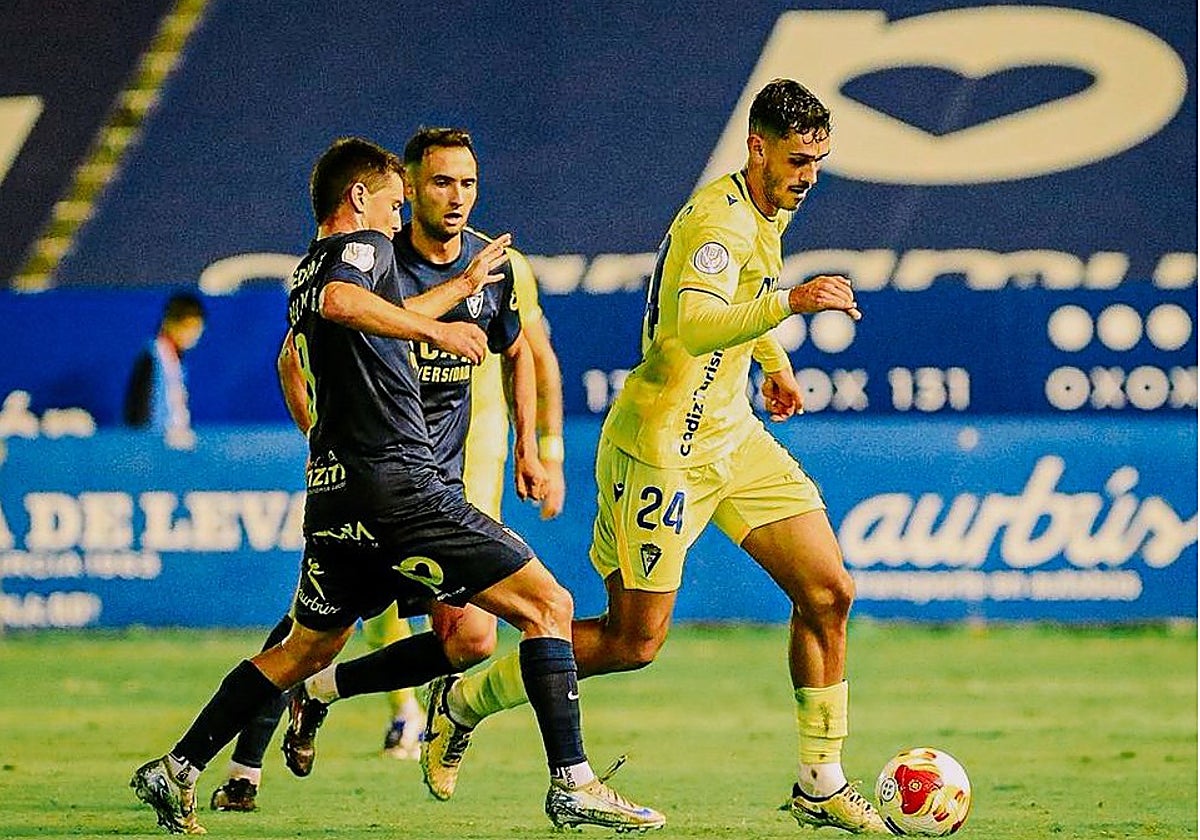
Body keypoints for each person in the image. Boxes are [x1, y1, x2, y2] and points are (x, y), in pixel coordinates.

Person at [130, 135, 659, 835]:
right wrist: (434, 332)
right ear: (359, 199)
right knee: (549, 607)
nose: (397, 210)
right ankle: (574, 782)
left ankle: (176, 768)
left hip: (337, 491)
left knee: (305, 650)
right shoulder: (369, 249)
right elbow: (349, 304)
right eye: (392, 199)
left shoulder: (304, 270)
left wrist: (461, 292)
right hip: (401, 483)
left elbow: (328, 329)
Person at [418, 79, 888, 835]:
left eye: (818, 161)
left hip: (731, 436)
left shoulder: (766, 210)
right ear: (757, 147)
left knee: (829, 591)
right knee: (634, 641)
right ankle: (463, 702)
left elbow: (746, 294)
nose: (808, 174)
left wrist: (771, 361)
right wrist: (792, 307)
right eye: (797, 159)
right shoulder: (716, 221)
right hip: (659, 449)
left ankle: (820, 781)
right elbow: (693, 324)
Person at [207, 127, 569, 811]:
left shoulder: (496, 268)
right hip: (375, 476)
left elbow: (522, 351)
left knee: (468, 639)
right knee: (313, 628)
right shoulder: (373, 254)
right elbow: (295, 353)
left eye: (467, 183)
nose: (455, 198)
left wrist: (533, 446)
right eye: (438, 184)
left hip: (440, 481)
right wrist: (320, 435)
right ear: (408, 187)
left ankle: (320, 698)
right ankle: (245, 767)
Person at [123, 291, 206, 449]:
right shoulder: (152, 357)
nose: (194, 335)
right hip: (153, 446)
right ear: (171, 323)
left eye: (197, 329)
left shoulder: (177, 362)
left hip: (171, 446)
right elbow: (137, 410)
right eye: (189, 327)